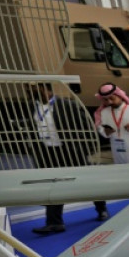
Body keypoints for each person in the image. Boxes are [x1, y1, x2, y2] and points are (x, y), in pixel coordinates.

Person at [31, 83, 109, 234]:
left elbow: (86, 127)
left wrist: (86, 149)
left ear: (46, 89)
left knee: (86, 181)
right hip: (47, 152)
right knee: (52, 185)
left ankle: (101, 208)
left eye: (35, 89)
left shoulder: (67, 105)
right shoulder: (32, 107)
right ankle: (55, 222)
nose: (31, 92)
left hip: (69, 150)